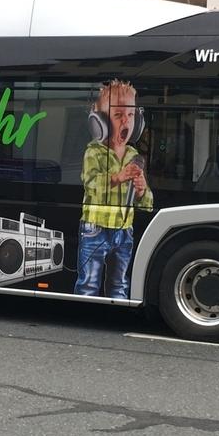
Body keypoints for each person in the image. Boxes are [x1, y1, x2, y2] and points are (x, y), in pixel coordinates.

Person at [75, 80, 153, 299]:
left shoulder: (133, 156)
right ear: (99, 123)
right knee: (89, 283)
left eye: (130, 115)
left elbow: (147, 203)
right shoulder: (93, 152)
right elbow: (90, 183)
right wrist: (119, 177)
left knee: (119, 284)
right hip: (95, 229)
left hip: (124, 231)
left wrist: (141, 190)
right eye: (118, 115)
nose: (126, 121)